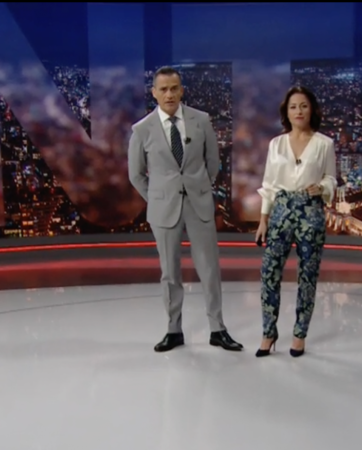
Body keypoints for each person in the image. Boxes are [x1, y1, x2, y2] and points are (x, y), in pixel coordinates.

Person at [128, 66, 243, 353]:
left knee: (209, 268)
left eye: (174, 88)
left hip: (198, 204)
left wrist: (198, 188)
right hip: (163, 209)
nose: (169, 94)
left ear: (181, 91)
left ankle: (217, 329)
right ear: (154, 93)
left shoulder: (200, 120)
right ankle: (173, 330)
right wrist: (157, 197)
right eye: (163, 89)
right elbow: (136, 174)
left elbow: (213, 163)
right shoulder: (142, 129)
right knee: (169, 272)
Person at [254, 86, 337, 358]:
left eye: (303, 106)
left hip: (310, 211)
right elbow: (269, 184)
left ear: (311, 110)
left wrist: (322, 187)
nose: (298, 111)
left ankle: (300, 334)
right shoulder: (276, 144)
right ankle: (268, 333)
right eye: (293, 107)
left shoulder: (324, 144)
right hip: (281, 209)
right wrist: (263, 219)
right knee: (269, 272)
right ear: (286, 113)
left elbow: (331, 178)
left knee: (307, 275)